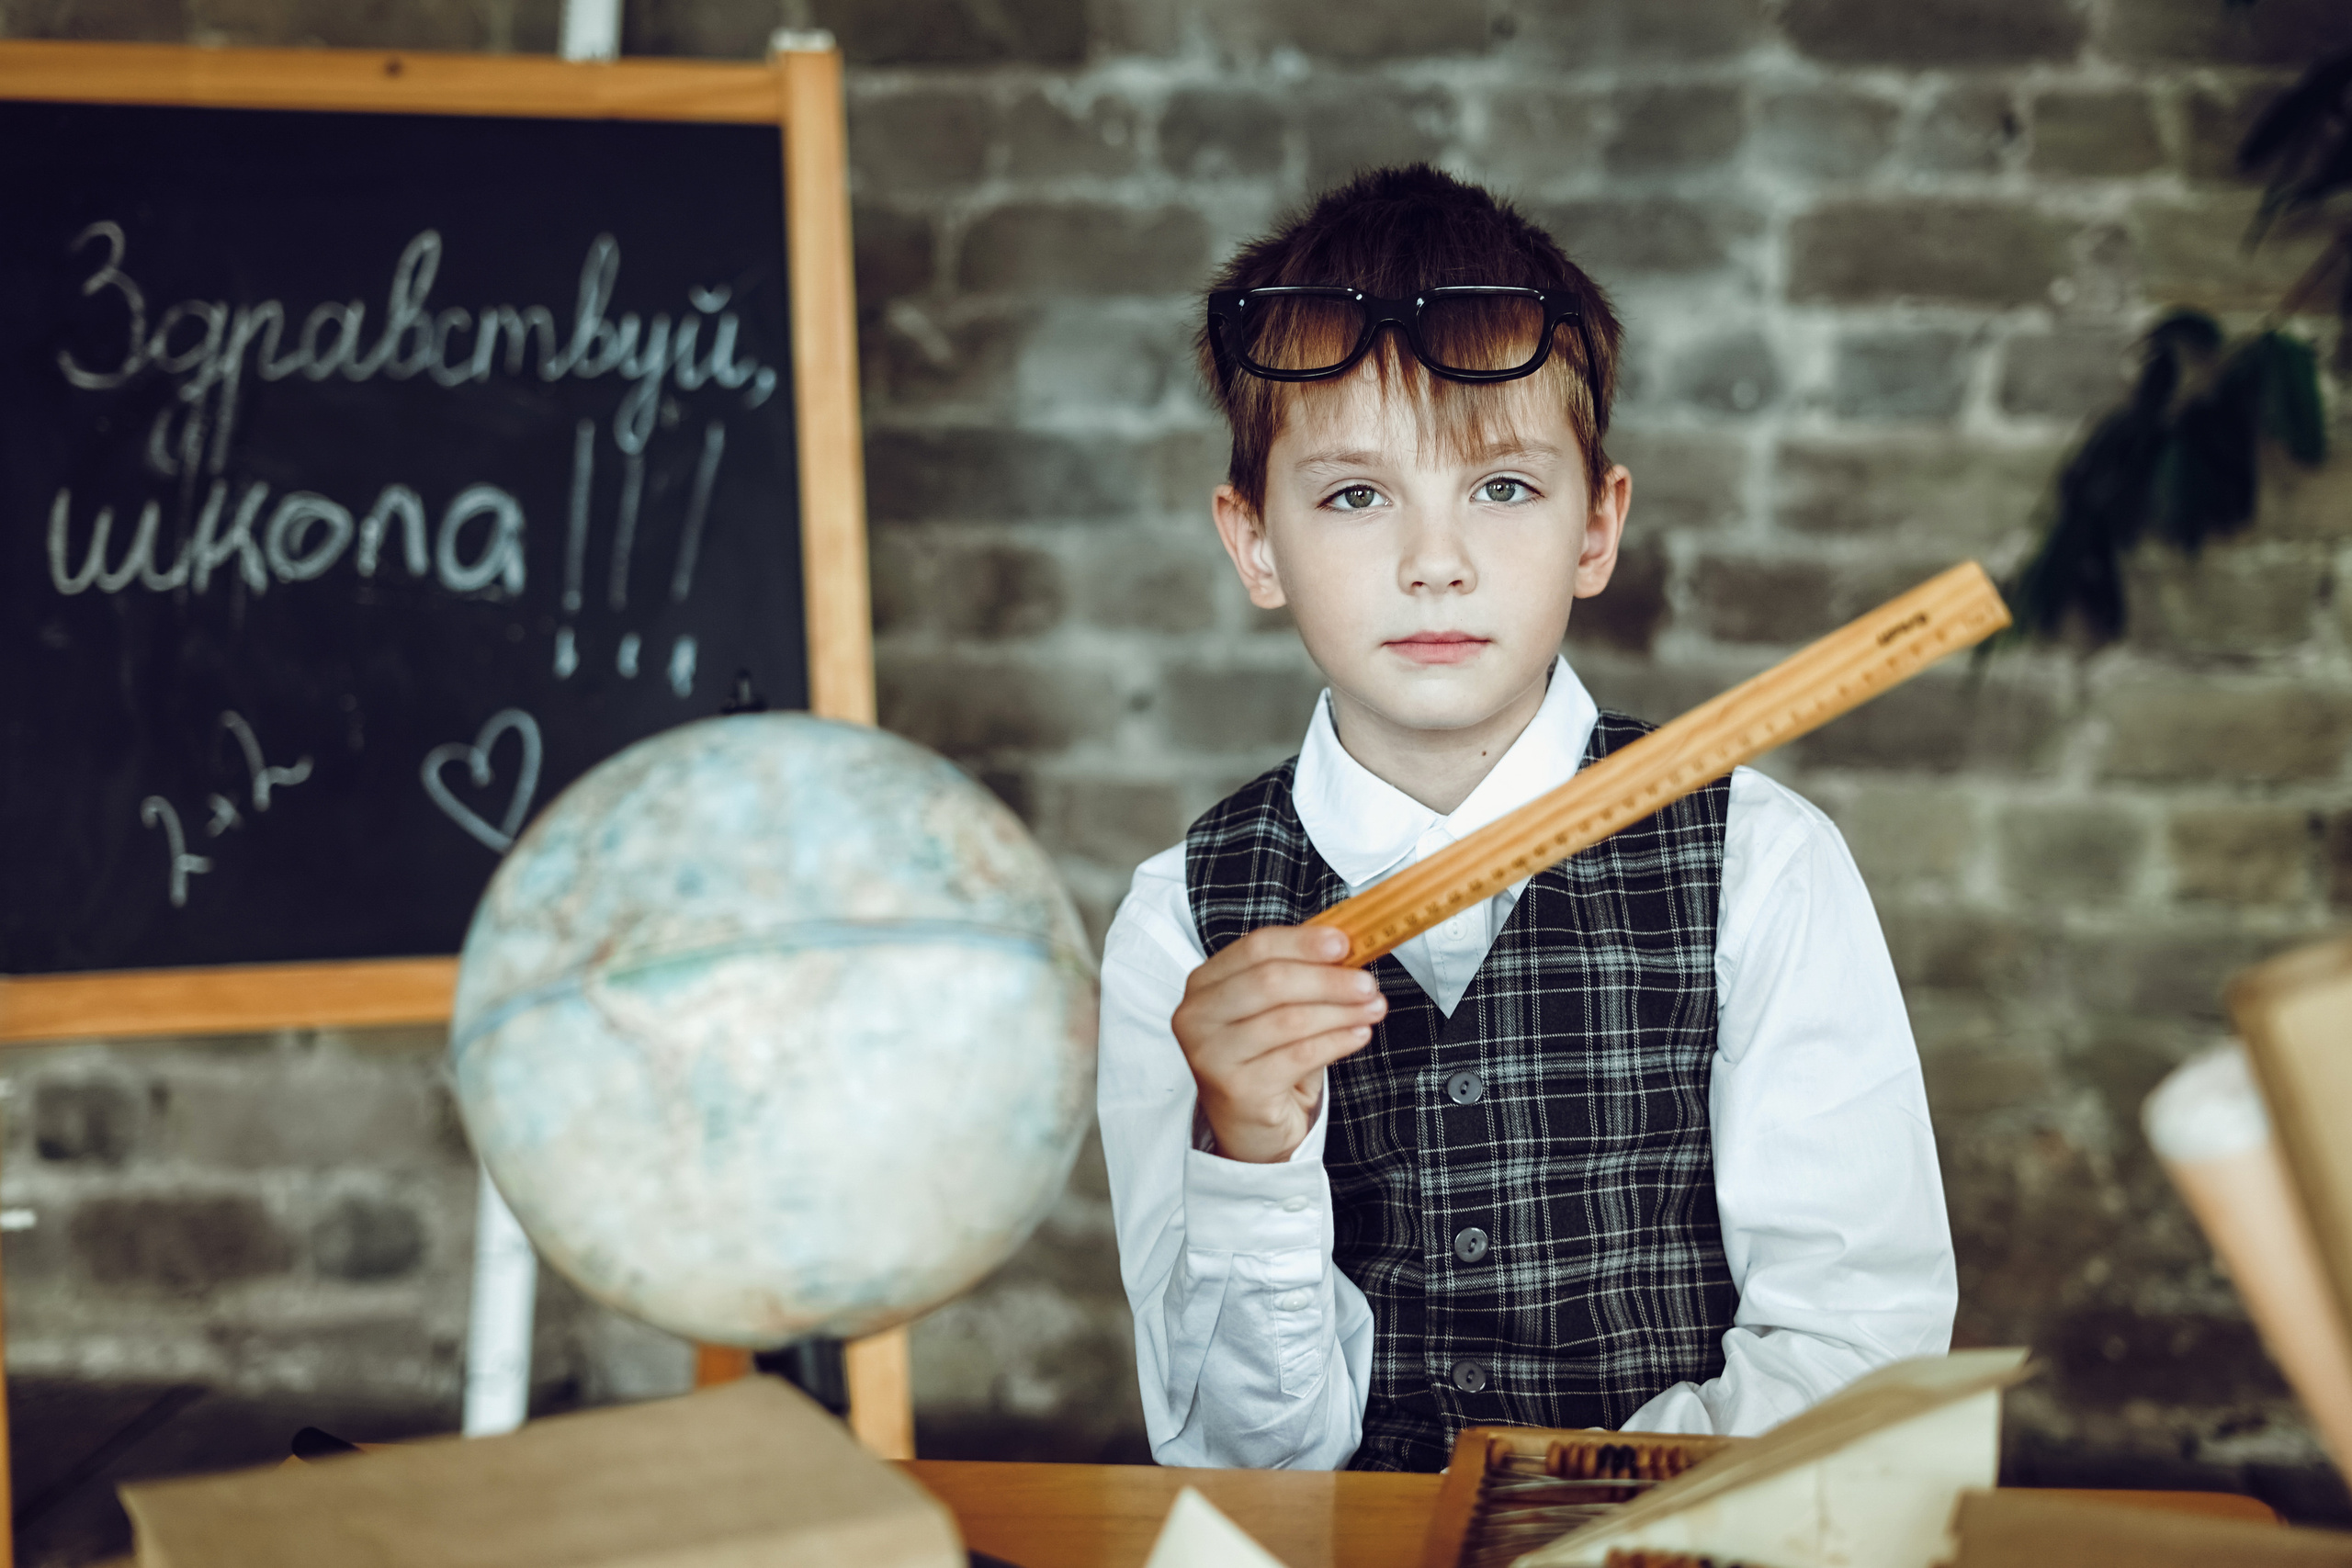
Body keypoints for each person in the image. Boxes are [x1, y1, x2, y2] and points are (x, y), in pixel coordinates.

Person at [1094, 164, 1956, 1472]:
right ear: (1252, 541)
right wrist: (1247, 1151)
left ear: (1596, 526)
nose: (1433, 560)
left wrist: (1574, 1512)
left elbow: (1859, 1352)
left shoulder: (1761, 865)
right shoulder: (1181, 923)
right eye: (1352, 495)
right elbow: (1238, 1468)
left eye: (1501, 489)